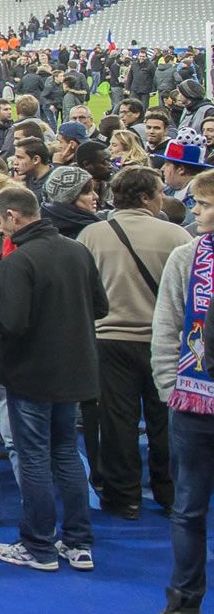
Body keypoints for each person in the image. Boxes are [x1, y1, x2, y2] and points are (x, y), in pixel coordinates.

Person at [0, 185, 108, 571]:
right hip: (75, 370)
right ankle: (78, 542)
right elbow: (100, 306)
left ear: (13, 217)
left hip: (32, 374)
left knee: (35, 457)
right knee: (68, 454)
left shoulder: (18, 262)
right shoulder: (77, 250)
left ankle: (38, 544)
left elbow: (13, 323)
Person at [79, 166, 189, 519]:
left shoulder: (92, 234)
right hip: (163, 341)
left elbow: (85, 291)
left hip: (108, 340)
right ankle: (169, 492)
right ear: (145, 196)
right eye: (158, 192)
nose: (162, 199)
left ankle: (123, 496)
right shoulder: (176, 236)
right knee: (165, 421)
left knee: (117, 422)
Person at [145, 169, 214, 614]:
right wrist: (172, 387)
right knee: (188, 508)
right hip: (194, 405)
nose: (194, 211)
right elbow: (167, 325)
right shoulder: (186, 257)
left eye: (203, 204)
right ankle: (184, 603)